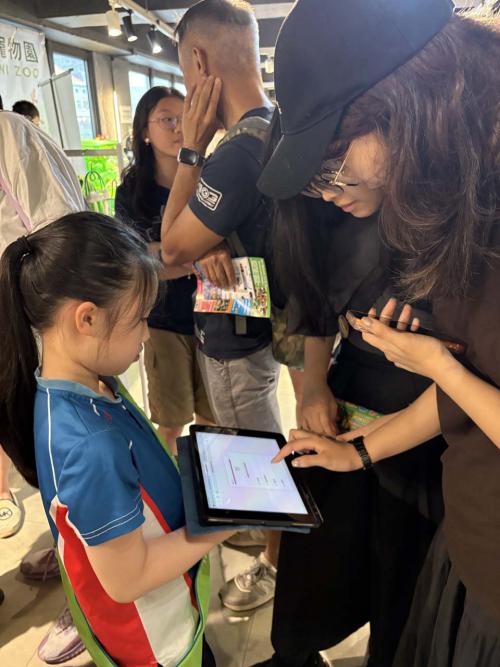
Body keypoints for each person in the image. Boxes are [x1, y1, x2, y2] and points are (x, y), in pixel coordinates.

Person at [261, 0, 500, 665]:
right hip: (470, 550)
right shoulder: (457, 199)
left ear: (404, 105)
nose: (331, 190)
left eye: (335, 161)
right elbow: (472, 388)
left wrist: (439, 365)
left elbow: (463, 381)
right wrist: (361, 451)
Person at [0, 212, 236, 667]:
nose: (146, 333)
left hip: (160, 610)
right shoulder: (91, 445)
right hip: (157, 642)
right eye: (140, 319)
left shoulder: (77, 385)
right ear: (87, 318)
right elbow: (128, 579)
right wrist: (223, 524)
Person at [254, 111, 446, 667]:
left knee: (401, 567)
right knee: (318, 547)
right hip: (353, 388)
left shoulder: (443, 214)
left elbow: (461, 377)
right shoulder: (321, 214)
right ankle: (297, 652)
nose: (328, 194)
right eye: (315, 183)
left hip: (429, 413)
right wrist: (314, 385)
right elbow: (316, 308)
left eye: (335, 175)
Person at [161, 0, 281, 611]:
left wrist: (191, 149)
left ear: (199, 61)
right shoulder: (274, 126)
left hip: (236, 335)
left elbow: (170, 247)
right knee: (255, 443)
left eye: (186, 69)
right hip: (257, 327)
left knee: (254, 457)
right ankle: (268, 552)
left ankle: (269, 565)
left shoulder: (235, 151)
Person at [0, 108, 86, 662]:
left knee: (67, 463)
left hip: (38, 340)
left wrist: (67, 352)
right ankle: (73, 557)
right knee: (40, 464)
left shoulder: (10, 135)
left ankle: (88, 593)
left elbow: (62, 239)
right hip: (10, 342)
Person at [115, 86, 213, 452]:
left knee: (213, 419)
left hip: (215, 318)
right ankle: (170, 484)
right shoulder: (133, 191)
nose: (178, 128)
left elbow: (162, 256)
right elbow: (136, 262)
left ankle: (203, 484)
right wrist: (194, 257)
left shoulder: (210, 179)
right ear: (145, 130)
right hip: (162, 321)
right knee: (171, 422)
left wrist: (168, 255)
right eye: (166, 119)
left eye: (183, 118)